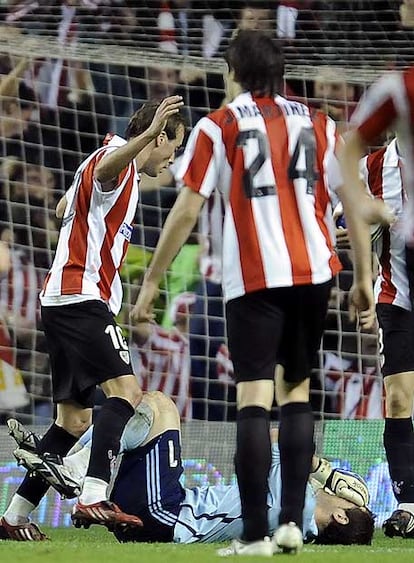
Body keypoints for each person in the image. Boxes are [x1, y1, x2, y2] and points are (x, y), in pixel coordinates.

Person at [130, 30, 376, 556]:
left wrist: (151, 282)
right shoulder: (320, 124)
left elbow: (187, 210)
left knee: (254, 400)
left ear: (234, 73)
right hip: (315, 273)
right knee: (297, 396)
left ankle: (259, 536)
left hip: (256, 279)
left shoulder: (217, 127)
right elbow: (352, 198)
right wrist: (363, 277)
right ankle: (290, 522)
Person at [0, 95, 186, 540]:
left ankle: (13, 518)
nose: (171, 158)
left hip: (62, 300)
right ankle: (93, 491)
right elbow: (104, 172)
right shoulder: (111, 160)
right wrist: (142, 137)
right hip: (83, 298)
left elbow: (65, 209)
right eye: (172, 147)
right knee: (128, 394)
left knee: (73, 422)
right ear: (157, 136)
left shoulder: (114, 169)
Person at [10, 390, 374, 546]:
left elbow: (279, 436)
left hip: (164, 515)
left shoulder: (301, 504)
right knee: (146, 412)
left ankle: (77, 471)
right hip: (164, 512)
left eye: (344, 501)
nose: (335, 493)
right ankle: (77, 468)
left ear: (340, 517)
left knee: (158, 406)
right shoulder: (296, 520)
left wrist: (324, 471)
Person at [358, 137, 414, 537]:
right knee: (397, 399)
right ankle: (408, 505)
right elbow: (345, 212)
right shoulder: (372, 166)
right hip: (397, 298)